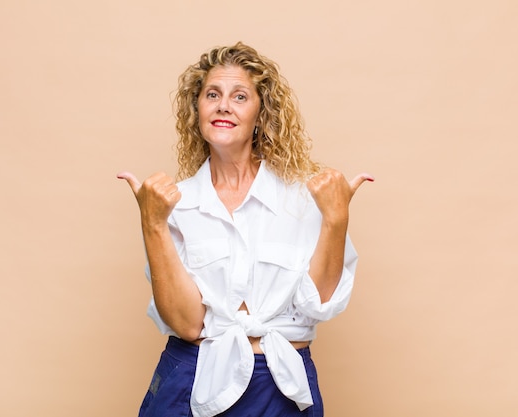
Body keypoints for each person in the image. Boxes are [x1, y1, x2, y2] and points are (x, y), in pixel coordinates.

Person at [117, 42, 373, 417]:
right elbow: (188, 324)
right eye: (212, 95)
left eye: (239, 96)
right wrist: (152, 223)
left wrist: (336, 220)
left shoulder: (304, 200)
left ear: (261, 113)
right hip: (193, 374)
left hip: (280, 385)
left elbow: (317, 305)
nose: (223, 105)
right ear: (197, 110)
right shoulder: (174, 203)